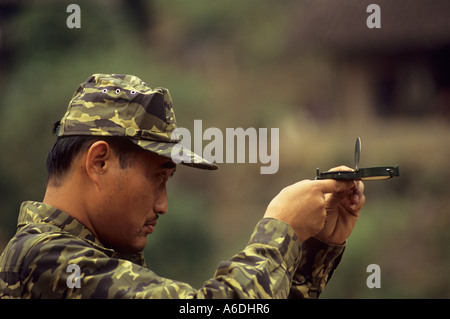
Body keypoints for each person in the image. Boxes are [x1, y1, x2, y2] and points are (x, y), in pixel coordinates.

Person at [0, 74, 365, 299]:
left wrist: (315, 247)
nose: (163, 205)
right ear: (99, 162)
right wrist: (280, 232)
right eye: (158, 177)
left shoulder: (92, 259)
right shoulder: (44, 260)